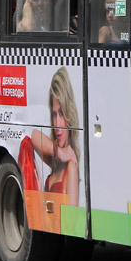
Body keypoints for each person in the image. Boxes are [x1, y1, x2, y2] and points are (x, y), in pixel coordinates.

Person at [28, 67, 80, 205]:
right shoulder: (56, 160)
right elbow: (32, 136)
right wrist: (58, 152)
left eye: (62, 113)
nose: (57, 124)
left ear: (70, 114)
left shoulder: (71, 167)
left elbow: (72, 221)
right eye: (54, 114)